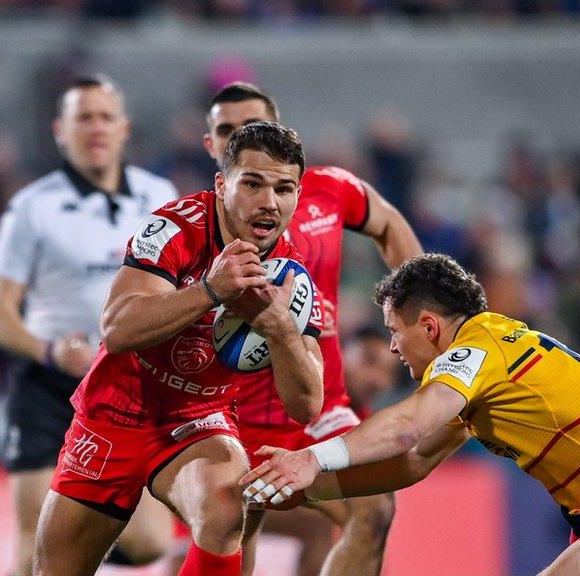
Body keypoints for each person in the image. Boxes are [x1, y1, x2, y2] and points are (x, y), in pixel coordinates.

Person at [243, 253, 580, 576]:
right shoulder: (483, 362)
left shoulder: (476, 352)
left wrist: (310, 459)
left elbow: (406, 429)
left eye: (394, 332)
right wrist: (309, 492)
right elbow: (414, 461)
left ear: (429, 326)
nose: (393, 347)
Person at [33, 121, 324, 576]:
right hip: (118, 408)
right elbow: (117, 329)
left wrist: (280, 328)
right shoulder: (174, 228)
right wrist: (211, 290)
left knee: (228, 505)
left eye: (284, 189)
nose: (269, 202)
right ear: (221, 184)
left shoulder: (294, 273)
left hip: (198, 416)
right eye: (252, 184)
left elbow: (307, 405)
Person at [191, 82, 421, 576]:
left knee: (375, 509)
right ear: (213, 147)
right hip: (231, 417)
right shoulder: (197, 223)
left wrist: (418, 317)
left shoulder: (330, 189)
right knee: (235, 534)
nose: (243, 138)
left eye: (254, 127)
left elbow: (388, 223)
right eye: (228, 132)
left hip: (319, 409)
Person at [0, 74, 178, 576]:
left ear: (124, 128)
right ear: (59, 131)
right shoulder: (32, 207)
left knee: (153, 542)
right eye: (83, 117)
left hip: (131, 383)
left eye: (105, 117)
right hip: (49, 387)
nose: (96, 127)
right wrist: (48, 352)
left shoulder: (160, 196)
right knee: (37, 543)